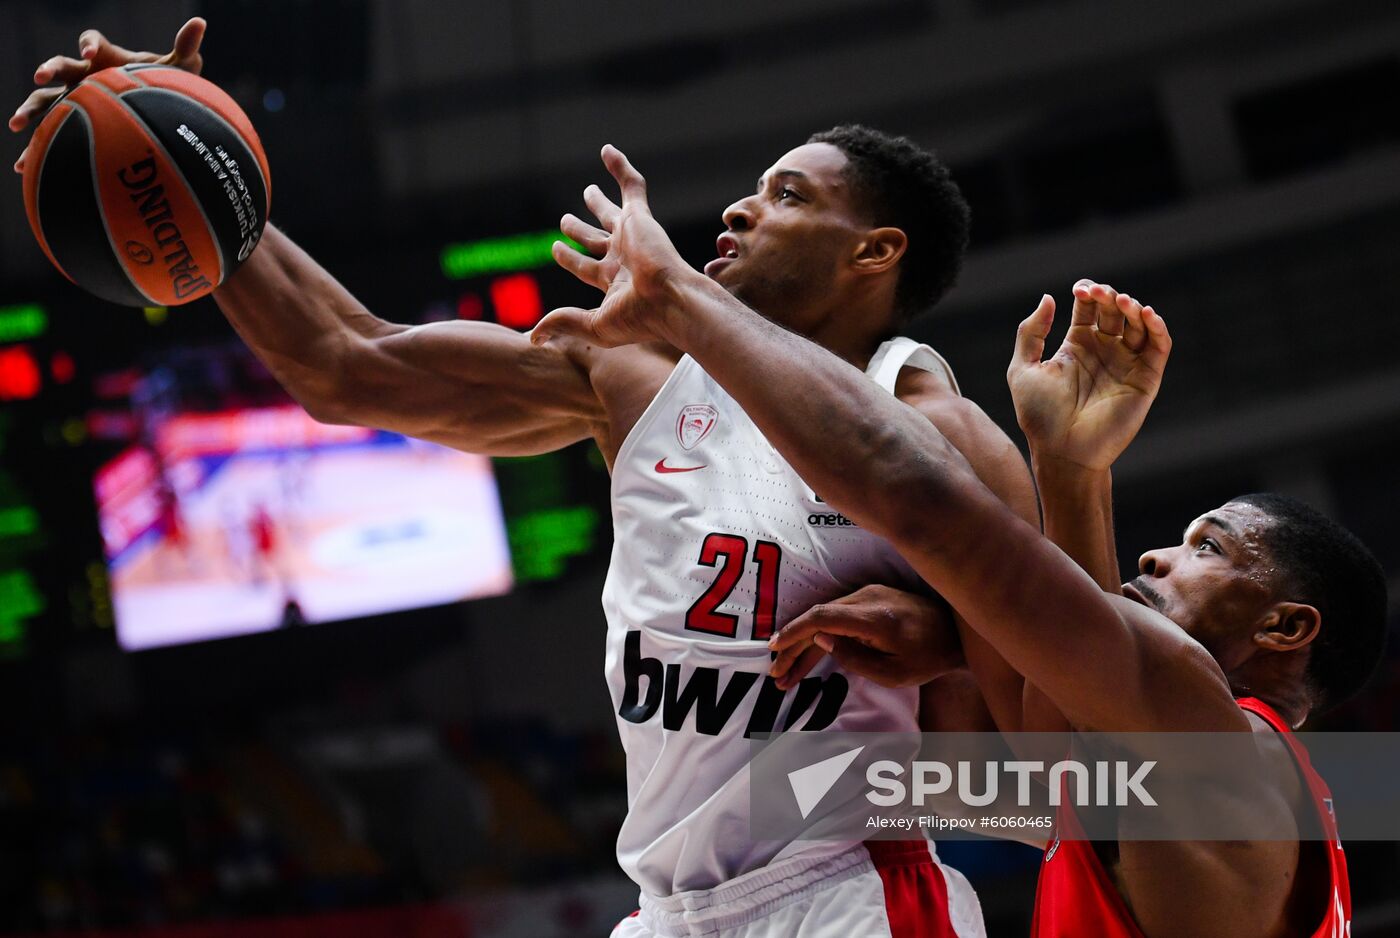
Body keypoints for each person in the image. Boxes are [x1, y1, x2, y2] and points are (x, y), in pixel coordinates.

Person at [12, 21, 1044, 936]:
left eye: (784, 194)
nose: (733, 208)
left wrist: (946, 655)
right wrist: (199, 185)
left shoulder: (936, 428)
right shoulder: (636, 378)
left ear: (874, 251)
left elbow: (1060, 780)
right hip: (668, 912)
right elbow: (344, 362)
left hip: (850, 892)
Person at [530, 145, 1386, 937]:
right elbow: (1010, 764)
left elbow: (923, 505)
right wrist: (969, 613)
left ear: (1285, 628)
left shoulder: (1212, 744)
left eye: (1212, 548)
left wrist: (683, 296)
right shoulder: (1187, 780)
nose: (1159, 556)